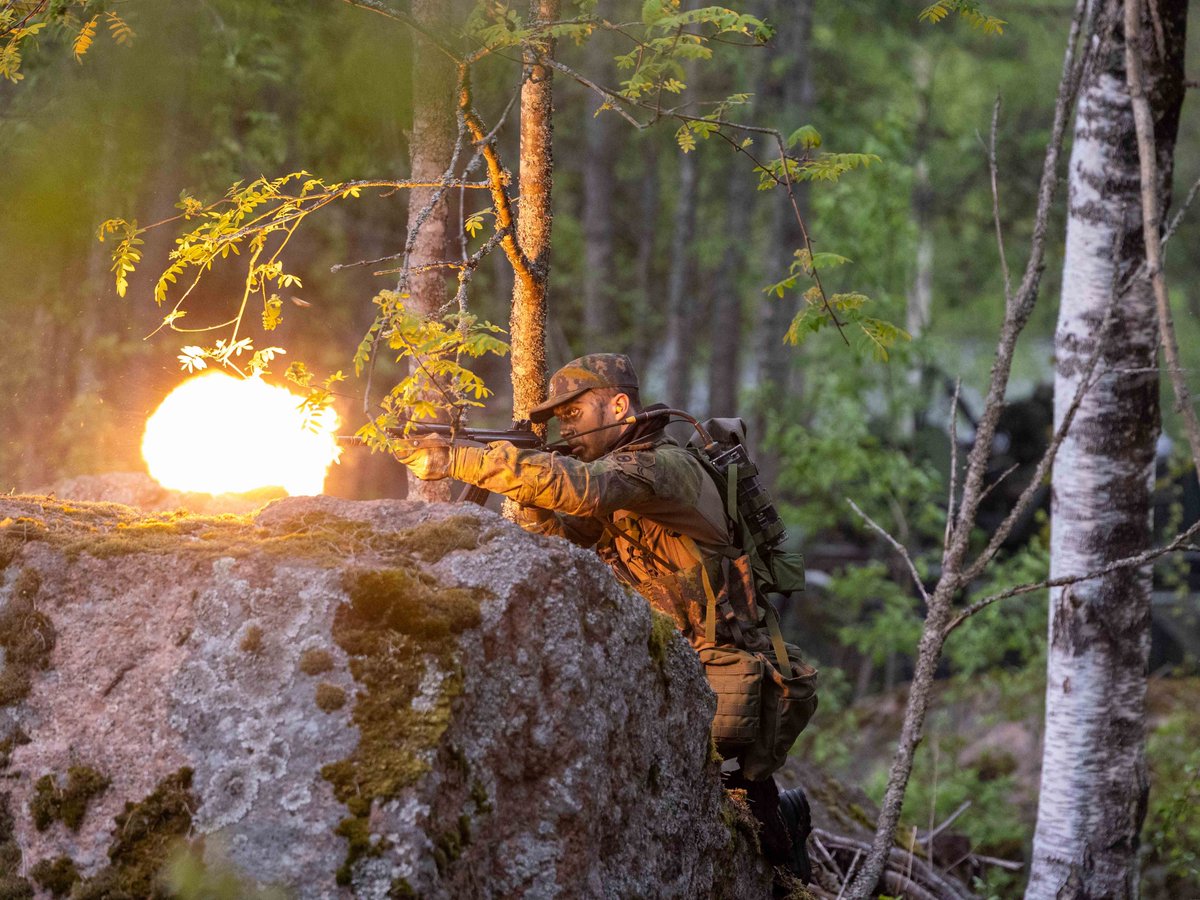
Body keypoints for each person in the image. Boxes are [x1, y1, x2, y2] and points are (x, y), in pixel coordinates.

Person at [393, 353, 811, 878]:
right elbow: (568, 549)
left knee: (746, 813)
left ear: (618, 405)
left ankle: (784, 829)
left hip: (718, 664)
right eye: (560, 418)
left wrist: (464, 460)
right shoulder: (625, 481)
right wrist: (535, 505)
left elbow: (586, 489)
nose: (567, 428)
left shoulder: (662, 467)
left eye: (574, 414)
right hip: (667, 658)